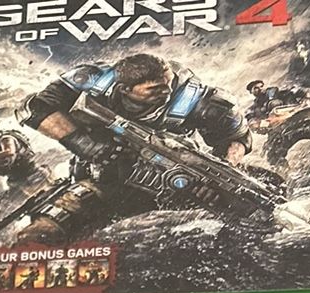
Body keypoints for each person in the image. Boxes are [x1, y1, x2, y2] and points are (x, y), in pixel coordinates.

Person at [14, 52, 250, 246]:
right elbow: (35, 107)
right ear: (125, 89)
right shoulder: (96, 81)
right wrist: (85, 144)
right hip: (105, 182)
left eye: (167, 84)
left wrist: (216, 182)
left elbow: (235, 137)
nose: (166, 92)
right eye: (154, 89)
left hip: (175, 190)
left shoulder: (192, 97)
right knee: (40, 235)